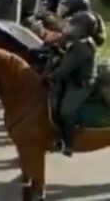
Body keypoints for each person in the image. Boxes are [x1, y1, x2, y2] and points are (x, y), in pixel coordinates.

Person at [46, 11, 99, 156]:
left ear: (83, 29)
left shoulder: (82, 46)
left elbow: (67, 68)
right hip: (72, 79)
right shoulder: (77, 42)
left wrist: (49, 76)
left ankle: (69, 144)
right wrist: (59, 51)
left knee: (66, 110)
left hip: (81, 84)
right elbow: (69, 60)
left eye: (75, 25)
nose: (71, 27)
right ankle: (58, 136)